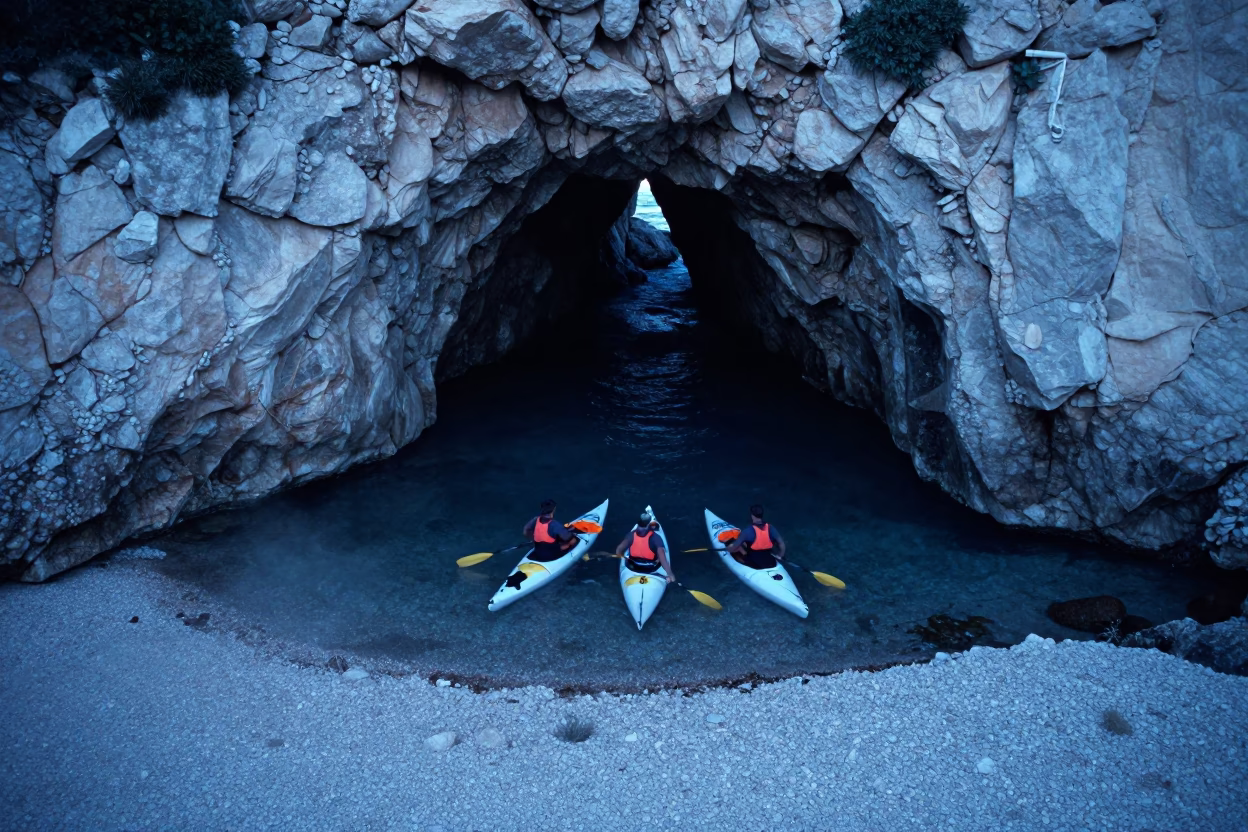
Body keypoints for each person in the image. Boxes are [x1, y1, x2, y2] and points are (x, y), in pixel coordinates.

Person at [615, 511, 676, 584]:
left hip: (633, 567)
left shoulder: (631, 535)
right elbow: (663, 559)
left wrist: (620, 555)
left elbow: (618, 550)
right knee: (660, 554)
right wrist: (670, 574)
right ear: (649, 525)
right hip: (650, 569)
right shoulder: (656, 538)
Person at [727, 504, 786, 569]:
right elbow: (781, 544)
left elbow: (733, 548)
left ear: (752, 515)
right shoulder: (771, 528)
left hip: (755, 564)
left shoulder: (747, 531)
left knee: (735, 545)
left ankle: (743, 555)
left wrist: (728, 548)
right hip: (771, 562)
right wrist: (780, 556)